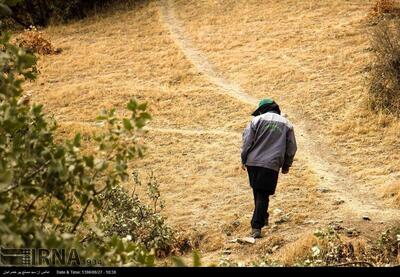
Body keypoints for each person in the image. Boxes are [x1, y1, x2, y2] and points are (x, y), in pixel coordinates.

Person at [241, 98, 297, 238]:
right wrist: (286, 165)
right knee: (263, 193)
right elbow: (291, 147)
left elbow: (247, 141)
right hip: (271, 163)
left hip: (253, 162)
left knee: (258, 191)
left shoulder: (256, 121)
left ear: (263, 109)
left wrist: (243, 159)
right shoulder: (286, 124)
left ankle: (262, 216)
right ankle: (257, 226)